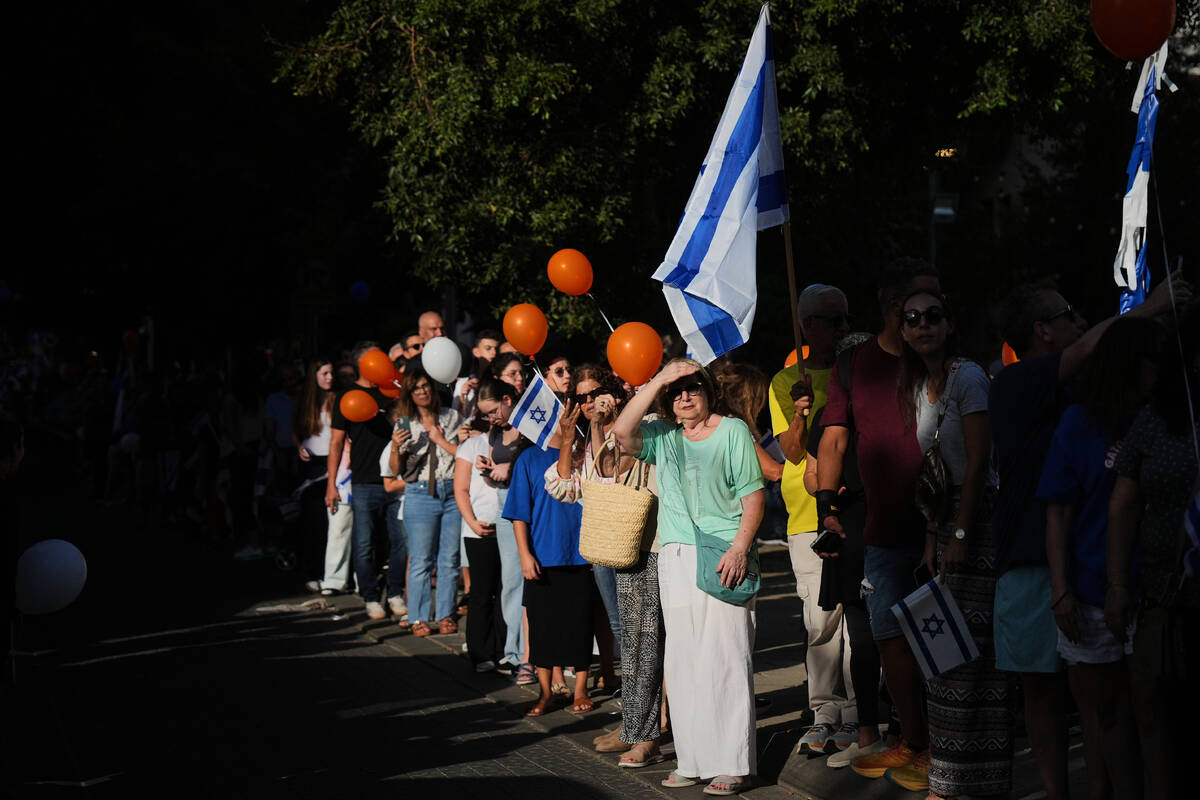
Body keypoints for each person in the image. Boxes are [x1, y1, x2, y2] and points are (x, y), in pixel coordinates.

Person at [989, 273, 1188, 800]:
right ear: (1043, 330)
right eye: (1066, 313)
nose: (1077, 320)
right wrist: (1150, 305)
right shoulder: (1016, 380)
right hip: (1038, 563)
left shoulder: (1098, 399)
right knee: (1048, 691)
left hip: (1109, 577)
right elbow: (1090, 347)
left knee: (1118, 707)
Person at [614, 358, 764, 796]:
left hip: (723, 555)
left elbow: (753, 496)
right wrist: (658, 378)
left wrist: (740, 547)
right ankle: (694, 759)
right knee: (682, 663)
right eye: (675, 391)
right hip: (675, 556)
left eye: (693, 388)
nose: (683, 396)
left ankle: (733, 763)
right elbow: (622, 433)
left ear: (710, 391)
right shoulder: (663, 436)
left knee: (726, 658)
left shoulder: (733, 431)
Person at [816, 259, 940, 780]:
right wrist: (827, 508)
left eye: (938, 311)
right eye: (921, 307)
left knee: (942, 639)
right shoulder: (854, 365)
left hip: (943, 526)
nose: (931, 319)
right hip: (881, 527)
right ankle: (909, 738)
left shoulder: (943, 360)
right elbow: (835, 438)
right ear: (896, 309)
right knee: (887, 636)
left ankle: (946, 744)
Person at [1037, 317, 1162, 800]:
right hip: (1088, 594)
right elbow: (1057, 515)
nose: (1160, 372)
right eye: (1151, 362)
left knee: (1151, 711)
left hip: (1152, 594)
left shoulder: (1164, 418)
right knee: (1101, 714)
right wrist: (1061, 589)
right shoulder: (1079, 422)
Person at [896, 290, 1010, 796]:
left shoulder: (968, 378)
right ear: (902, 330)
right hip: (943, 525)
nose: (923, 326)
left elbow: (980, 461)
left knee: (968, 660)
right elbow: (931, 473)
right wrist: (932, 538)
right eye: (912, 319)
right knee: (940, 656)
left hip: (977, 523)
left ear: (949, 324)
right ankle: (947, 778)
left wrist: (961, 531)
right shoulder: (922, 385)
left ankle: (970, 783)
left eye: (933, 317)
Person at [544, 365, 663, 764]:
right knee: (623, 635)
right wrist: (568, 436)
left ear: (612, 389)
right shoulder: (581, 440)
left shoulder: (639, 423)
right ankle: (634, 721)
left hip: (641, 543)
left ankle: (649, 722)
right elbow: (564, 487)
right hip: (603, 545)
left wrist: (602, 427)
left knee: (646, 637)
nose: (589, 402)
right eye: (580, 397)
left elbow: (618, 467)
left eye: (595, 392)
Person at [1106, 304, 1198, 799]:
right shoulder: (1152, 421)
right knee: (1159, 715)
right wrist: (1119, 585)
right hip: (1165, 598)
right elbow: (1123, 504)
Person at [767, 283, 859, 757]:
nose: (843, 329)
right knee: (821, 622)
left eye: (846, 318)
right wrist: (801, 410)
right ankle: (824, 713)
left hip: (856, 511)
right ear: (808, 326)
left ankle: (857, 713)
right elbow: (791, 450)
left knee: (857, 621)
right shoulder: (785, 382)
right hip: (808, 520)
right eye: (832, 320)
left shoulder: (856, 368)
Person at [502, 414, 593, 717]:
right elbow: (518, 513)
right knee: (542, 629)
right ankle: (545, 693)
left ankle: (580, 689)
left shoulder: (587, 454)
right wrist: (525, 555)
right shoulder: (528, 458)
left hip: (582, 555)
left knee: (580, 625)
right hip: (542, 556)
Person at [326, 341, 404, 620]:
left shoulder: (392, 390)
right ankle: (370, 596)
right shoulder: (347, 396)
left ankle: (395, 591)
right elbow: (335, 443)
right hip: (363, 481)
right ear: (363, 364)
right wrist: (331, 484)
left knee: (400, 541)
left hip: (395, 479)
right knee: (364, 542)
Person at [392, 367, 465, 636]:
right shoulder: (404, 422)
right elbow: (396, 469)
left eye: (426, 386)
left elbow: (463, 454)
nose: (422, 391)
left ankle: (446, 614)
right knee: (421, 559)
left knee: (449, 558)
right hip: (420, 492)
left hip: (450, 489)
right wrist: (394, 445)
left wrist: (441, 440)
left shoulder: (451, 417)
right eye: (416, 388)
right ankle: (418, 616)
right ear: (409, 394)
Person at [473, 379, 531, 678]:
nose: (491, 418)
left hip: (531, 501)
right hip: (504, 501)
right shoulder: (496, 431)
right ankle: (514, 651)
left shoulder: (532, 426)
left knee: (535, 576)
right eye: (486, 415)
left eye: (494, 411)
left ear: (508, 400)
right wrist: (487, 470)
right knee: (511, 580)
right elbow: (494, 479)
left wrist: (513, 466)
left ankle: (535, 651)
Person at [297, 358, 354, 595]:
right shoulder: (305, 403)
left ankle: (336, 575)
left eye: (332, 373)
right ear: (315, 376)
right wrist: (298, 447)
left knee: (334, 521)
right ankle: (315, 572)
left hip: (337, 463)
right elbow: (295, 429)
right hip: (312, 464)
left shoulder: (338, 399)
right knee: (314, 523)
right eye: (325, 373)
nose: (330, 378)